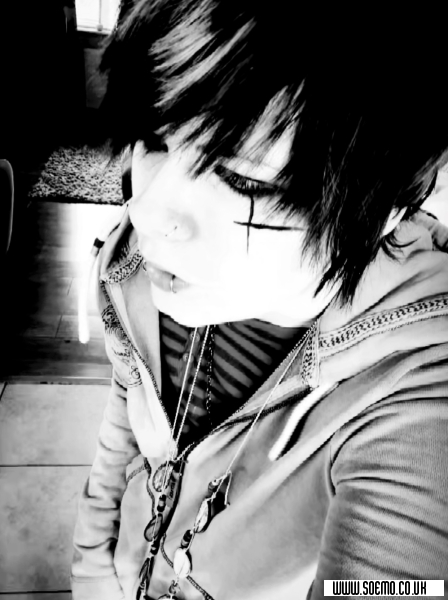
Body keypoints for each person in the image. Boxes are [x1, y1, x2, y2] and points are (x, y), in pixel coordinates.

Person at [71, 2, 448, 599]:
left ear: (385, 211)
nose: (145, 211)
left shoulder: (420, 389)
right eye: (154, 138)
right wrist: (93, 570)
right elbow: (123, 435)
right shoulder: (137, 271)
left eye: (243, 179)